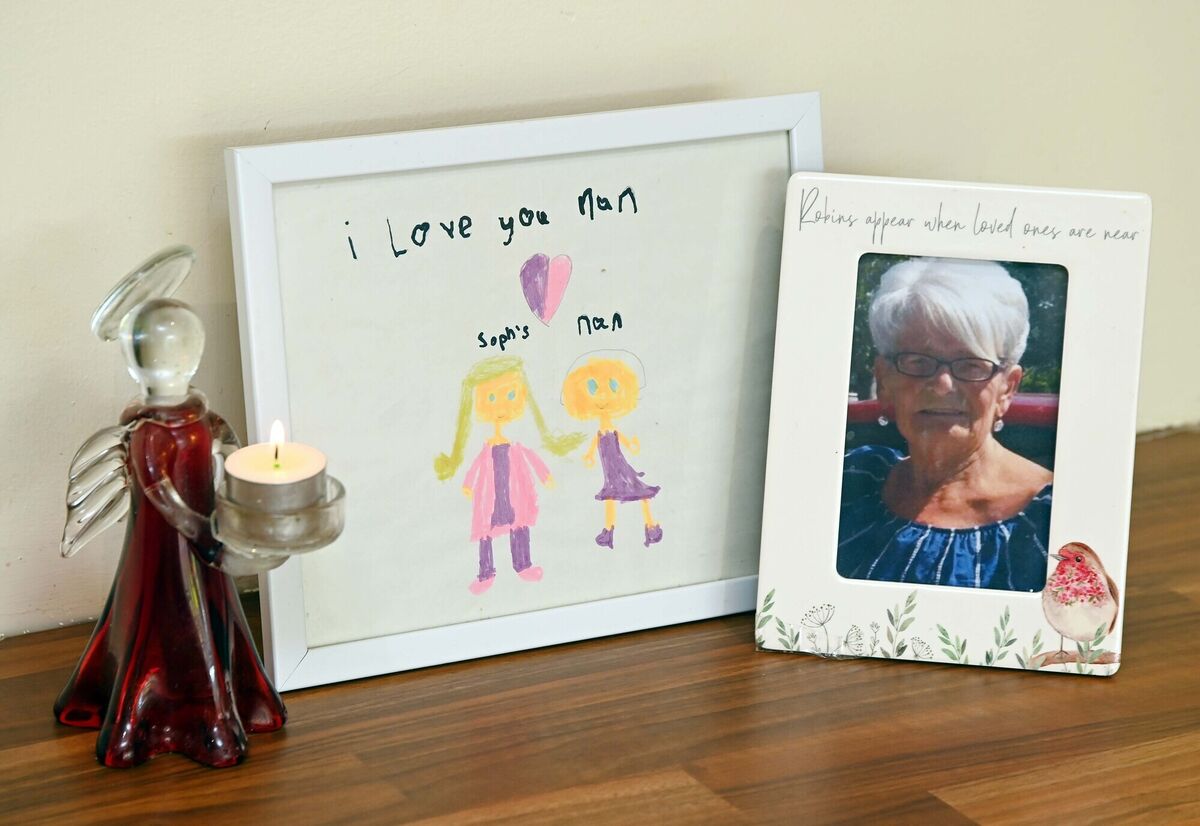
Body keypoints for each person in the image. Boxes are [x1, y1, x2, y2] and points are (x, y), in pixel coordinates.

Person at [838, 257, 1053, 592]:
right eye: (917, 361)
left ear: (1007, 389)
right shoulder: (853, 483)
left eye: (971, 364)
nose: (942, 385)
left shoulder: (1050, 522)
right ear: (884, 380)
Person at [435, 355, 584, 594]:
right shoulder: (486, 449)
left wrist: (545, 475)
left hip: (515, 496)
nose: (501, 407)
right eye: (491, 398)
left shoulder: (517, 446)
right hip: (490, 498)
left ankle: (523, 564)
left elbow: (533, 459)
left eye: (511, 395)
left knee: (520, 525)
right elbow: (476, 467)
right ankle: (486, 573)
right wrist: (468, 484)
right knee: (485, 533)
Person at [561, 352, 663, 549]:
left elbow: (624, 442)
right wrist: (589, 455)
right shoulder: (600, 432)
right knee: (611, 496)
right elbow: (595, 445)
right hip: (609, 472)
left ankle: (651, 526)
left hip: (621, 468)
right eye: (593, 388)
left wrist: (632, 445)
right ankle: (609, 531)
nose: (602, 396)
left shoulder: (612, 430)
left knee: (639, 491)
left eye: (613, 386)